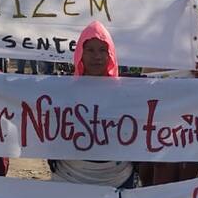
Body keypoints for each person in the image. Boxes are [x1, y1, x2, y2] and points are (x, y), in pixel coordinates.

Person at [49, 21, 137, 188]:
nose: (97, 56)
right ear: (80, 53)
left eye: (102, 50)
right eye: (90, 50)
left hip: (118, 178)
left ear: (110, 53)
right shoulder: (63, 92)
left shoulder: (126, 93)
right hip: (69, 177)